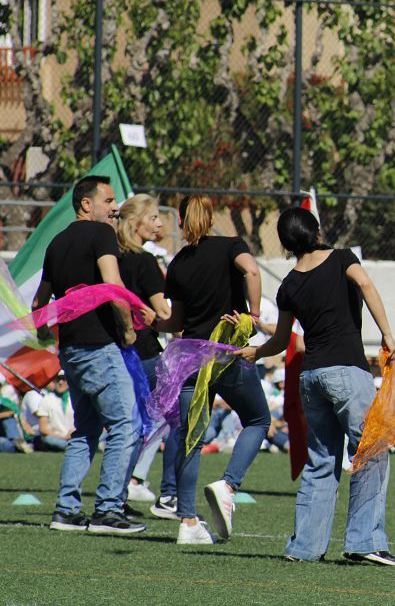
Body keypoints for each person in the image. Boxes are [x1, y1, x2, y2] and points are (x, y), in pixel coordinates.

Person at [236, 207, 395, 567]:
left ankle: (304, 547)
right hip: (347, 371)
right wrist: (387, 333)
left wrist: (256, 352)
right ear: (316, 232)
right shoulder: (342, 258)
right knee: (370, 451)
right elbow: (366, 284)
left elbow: (281, 340)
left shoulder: (289, 285)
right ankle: (365, 542)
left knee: (321, 461)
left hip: (310, 377)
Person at [35, 175, 153, 534]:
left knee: (86, 429)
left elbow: (39, 303)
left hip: (70, 349)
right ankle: (108, 510)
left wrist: (46, 337)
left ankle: (67, 510)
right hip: (99, 345)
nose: (115, 207)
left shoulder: (56, 243)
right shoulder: (102, 234)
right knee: (126, 425)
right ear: (87, 204)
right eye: (109, 200)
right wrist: (129, 326)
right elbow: (112, 286)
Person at [160, 195, 269, 544]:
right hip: (225, 354)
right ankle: (229, 484)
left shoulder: (176, 264)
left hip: (191, 356)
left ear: (180, 221)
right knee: (258, 420)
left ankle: (188, 522)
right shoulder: (229, 246)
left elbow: (174, 321)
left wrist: (152, 322)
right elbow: (251, 269)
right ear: (211, 219)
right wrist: (252, 314)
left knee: (191, 439)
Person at [114, 194, 177, 518]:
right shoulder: (144, 261)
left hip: (116, 350)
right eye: (153, 218)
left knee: (128, 425)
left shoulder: (110, 259)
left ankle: (115, 495)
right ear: (136, 222)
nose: (160, 224)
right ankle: (170, 495)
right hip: (146, 352)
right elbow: (163, 312)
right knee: (177, 414)